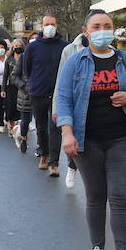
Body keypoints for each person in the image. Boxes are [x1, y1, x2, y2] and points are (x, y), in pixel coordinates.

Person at [56, 9, 126, 250]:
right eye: (96, 26)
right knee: (95, 196)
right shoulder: (75, 61)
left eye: (107, 25)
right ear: (86, 31)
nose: (102, 30)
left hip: (122, 137)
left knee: (120, 195)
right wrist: (67, 133)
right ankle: (97, 249)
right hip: (87, 139)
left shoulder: (125, 60)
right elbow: (63, 99)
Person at [24, 15, 66, 173]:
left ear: (57, 25)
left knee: (55, 128)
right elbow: (27, 69)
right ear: (41, 26)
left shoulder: (64, 46)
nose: (50, 27)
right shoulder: (32, 47)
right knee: (41, 127)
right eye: (47, 24)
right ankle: (45, 154)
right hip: (38, 93)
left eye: (52, 24)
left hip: (58, 94)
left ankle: (54, 163)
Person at [53, 30, 89, 186]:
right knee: (72, 137)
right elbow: (61, 82)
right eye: (96, 26)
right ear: (85, 29)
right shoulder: (69, 50)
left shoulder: (115, 53)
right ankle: (71, 166)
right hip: (74, 103)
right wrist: (56, 108)